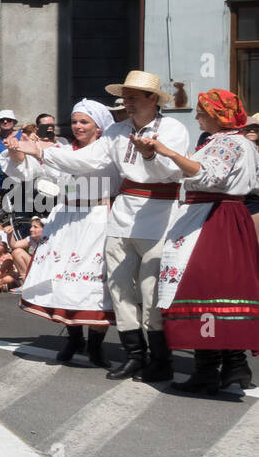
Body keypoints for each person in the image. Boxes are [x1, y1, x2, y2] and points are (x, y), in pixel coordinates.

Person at [12, 71, 189, 381]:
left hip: (159, 215)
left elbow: (171, 171)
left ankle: (160, 360)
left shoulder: (172, 128)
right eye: (126, 97)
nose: (127, 103)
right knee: (119, 290)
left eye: (133, 97)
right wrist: (40, 151)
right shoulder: (118, 131)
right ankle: (134, 355)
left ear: (152, 99)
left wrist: (151, 155)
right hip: (122, 217)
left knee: (149, 293)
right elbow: (87, 161)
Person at [152, 89, 259, 393]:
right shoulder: (235, 142)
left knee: (201, 288)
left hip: (213, 217)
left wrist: (169, 152)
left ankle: (208, 369)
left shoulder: (228, 143)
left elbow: (210, 177)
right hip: (225, 214)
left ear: (216, 114)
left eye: (202, 111)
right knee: (222, 288)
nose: (197, 116)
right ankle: (234, 366)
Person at [1, 99, 118, 367]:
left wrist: (39, 149)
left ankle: (96, 346)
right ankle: (74, 338)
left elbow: (78, 162)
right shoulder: (62, 149)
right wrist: (18, 149)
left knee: (94, 284)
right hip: (66, 217)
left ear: (98, 127)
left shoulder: (104, 149)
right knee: (63, 280)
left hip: (96, 218)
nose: (77, 126)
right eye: (75, 121)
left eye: (84, 122)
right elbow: (28, 170)